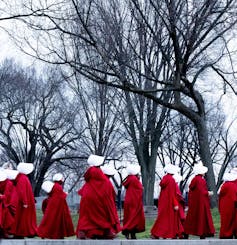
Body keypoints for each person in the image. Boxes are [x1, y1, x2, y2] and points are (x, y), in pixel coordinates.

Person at [76, 154, 121, 239]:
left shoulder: (90, 175)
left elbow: (84, 189)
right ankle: (106, 231)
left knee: (86, 216)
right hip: (98, 198)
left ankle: (83, 231)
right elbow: (106, 187)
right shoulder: (99, 174)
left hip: (86, 198)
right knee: (101, 215)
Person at [183, 162, 215, 239]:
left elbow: (194, 191)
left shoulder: (194, 179)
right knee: (202, 218)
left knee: (192, 218)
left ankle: (186, 232)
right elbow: (202, 192)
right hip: (201, 203)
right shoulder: (201, 180)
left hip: (194, 203)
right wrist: (208, 193)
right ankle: (202, 233)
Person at [150, 163, 183, 239]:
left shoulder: (165, 178)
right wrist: (175, 204)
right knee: (170, 219)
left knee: (162, 219)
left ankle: (156, 233)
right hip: (170, 203)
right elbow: (172, 194)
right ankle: (172, 234)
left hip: (163, 202)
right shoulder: (171, 180)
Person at [14, 162, 37, 238]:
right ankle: (22, 233)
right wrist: (25, 202)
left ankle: (24, 232)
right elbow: (22, 191)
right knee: (24, 218)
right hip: (24, 203)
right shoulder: (23, 178)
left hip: (25, 202)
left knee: (24, 218)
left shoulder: (22, 177)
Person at [122, 164, 145, 239]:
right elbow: (140, 189)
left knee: (129, 217)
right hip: (134, 201)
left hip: (128, 200)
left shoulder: (129, 178)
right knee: (134, 218)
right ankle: (131, 232)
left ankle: (129, 233)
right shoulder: (134, 179)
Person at [218, 171, 237, 239]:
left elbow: (220, 193)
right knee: (231, 220)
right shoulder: (233, 185)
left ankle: (225, 234)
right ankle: (229, 234)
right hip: (231, 204)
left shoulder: (225, 185)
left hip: (224, 204)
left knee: (225, 221)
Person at [0, 170, 18, 238]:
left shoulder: (8, 184)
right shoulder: (6, 182)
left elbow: (7, 196)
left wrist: (2, 197)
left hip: (8, 202)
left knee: (4, 214)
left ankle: (4, 232)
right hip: (4, 201)